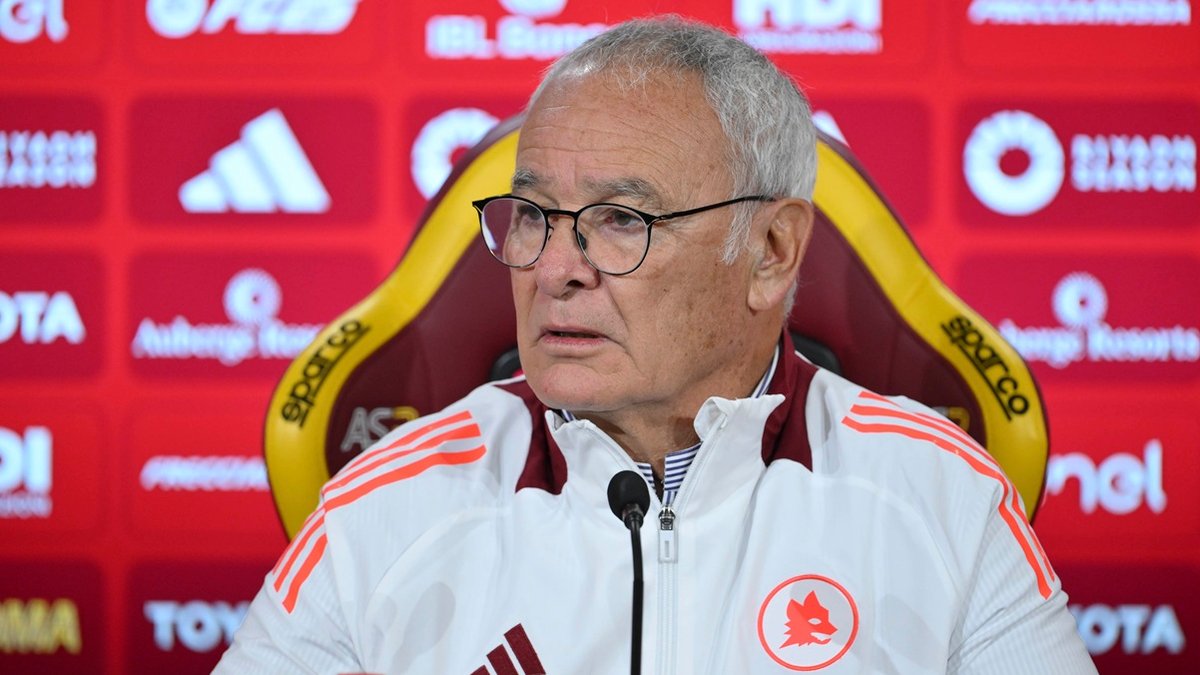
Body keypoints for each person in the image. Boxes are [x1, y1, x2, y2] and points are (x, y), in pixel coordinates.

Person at [215, 16, 1097, 674]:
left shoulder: (943, 497)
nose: (553, 268)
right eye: (533, 215)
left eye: (619, 219)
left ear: (771, 252)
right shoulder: (381, 510)